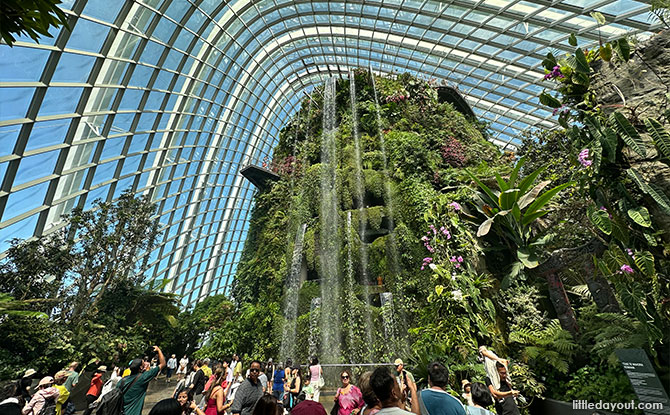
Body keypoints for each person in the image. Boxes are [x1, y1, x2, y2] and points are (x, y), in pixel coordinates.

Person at [119, 345, 167, 415]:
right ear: (141, 368)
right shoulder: (143, 378)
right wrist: (158, 350)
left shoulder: (122, 381)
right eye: (143, 364)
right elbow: (162, 364)